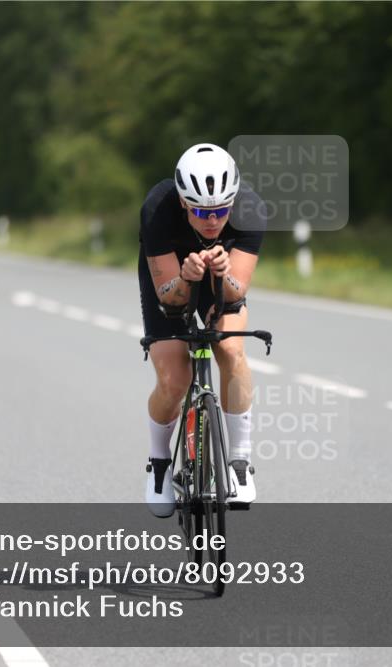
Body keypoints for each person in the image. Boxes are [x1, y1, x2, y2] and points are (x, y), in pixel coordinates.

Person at [138, 143, 266, 517]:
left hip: (221, 278)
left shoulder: (250, 210)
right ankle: (159, 463)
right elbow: (168, 298)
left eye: (220, 211)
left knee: (231, 350)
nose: (212, 221)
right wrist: (184, 277)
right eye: (200, 211)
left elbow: (237, 294)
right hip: (171, 279)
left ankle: (239, 462)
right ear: (182, 203)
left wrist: (222, 274)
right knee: (174, 378)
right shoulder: (158, 209)